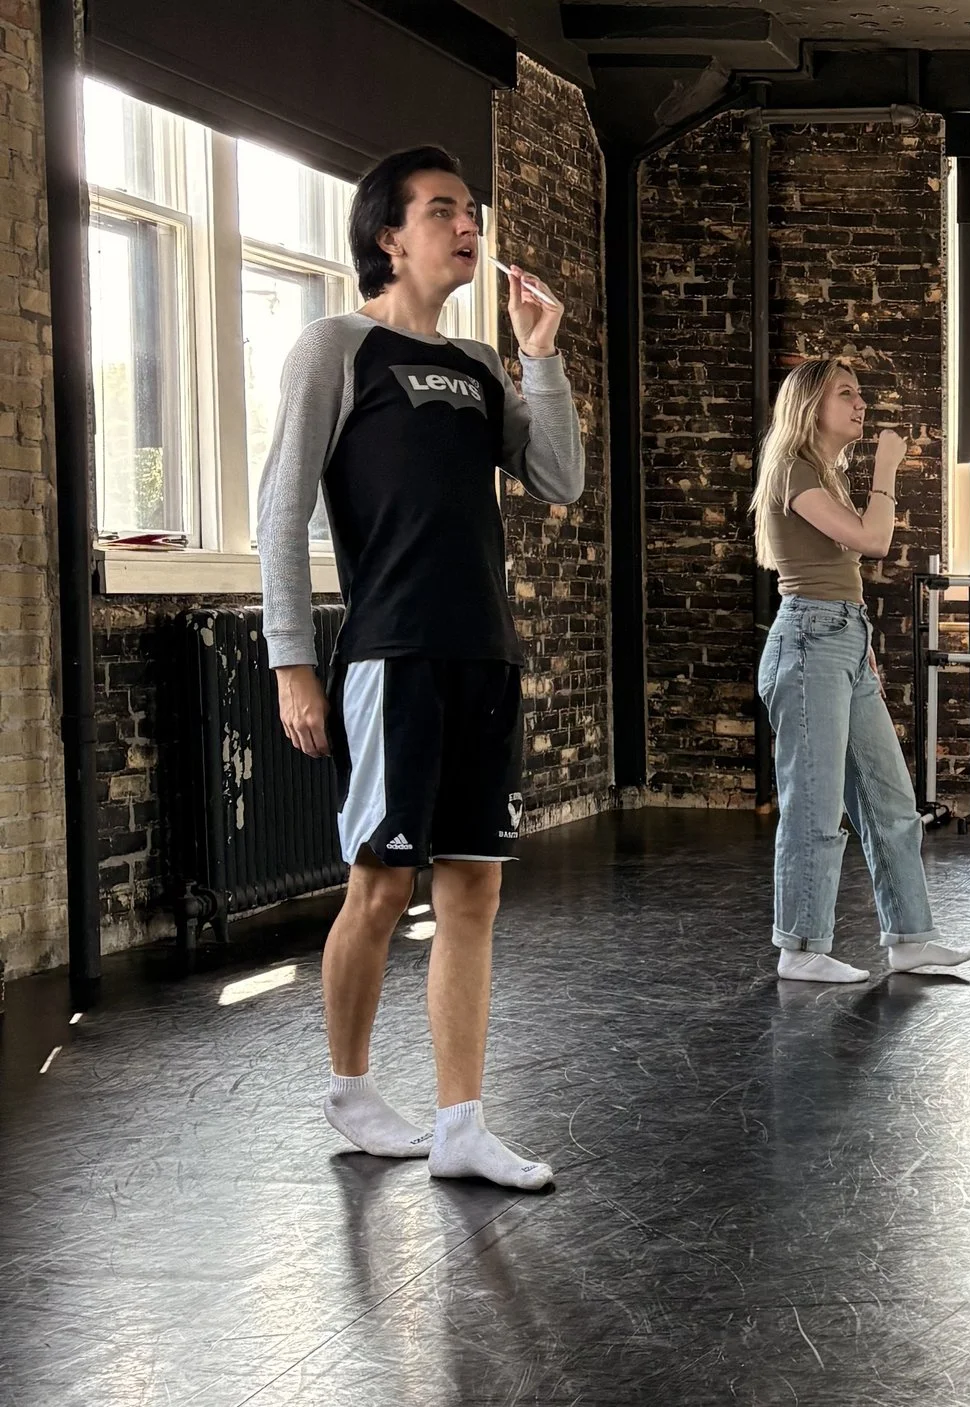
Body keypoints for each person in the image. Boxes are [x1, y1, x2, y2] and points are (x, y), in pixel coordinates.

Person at [259, 147, 582, 1189]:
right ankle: (353, 1092)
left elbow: (560, 479)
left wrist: (540, 354)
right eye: (442, 210)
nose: (466, 225)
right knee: (380, 883)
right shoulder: (336, 348)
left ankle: (460, 1127)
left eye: (470, 211)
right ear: (388, 236)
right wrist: (291, 661)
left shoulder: (485, 366)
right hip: (389, 654)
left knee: (474, 891)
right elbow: (278, 510)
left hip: (482, 652)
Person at [750, 357, 970, 983]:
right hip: (809, 644)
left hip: (843, 640)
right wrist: (886, 468)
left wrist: (859, 640)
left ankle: (910, 937)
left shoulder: (823, 475)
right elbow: (874, 541)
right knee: (815, 808)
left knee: (891, 801)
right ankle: (801, 947)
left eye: (860, 393)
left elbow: (849, 569)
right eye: (845, 393)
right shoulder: (793, 470)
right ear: (809, 406)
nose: (861, 404)